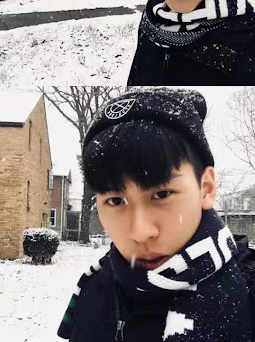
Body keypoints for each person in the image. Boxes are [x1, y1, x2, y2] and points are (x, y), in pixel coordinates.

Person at [58, 88, 253, 342]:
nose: (141, 232)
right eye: (115, 201)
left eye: (162, 194)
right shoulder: (93, 288)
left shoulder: (247, 290)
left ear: (206, 188)